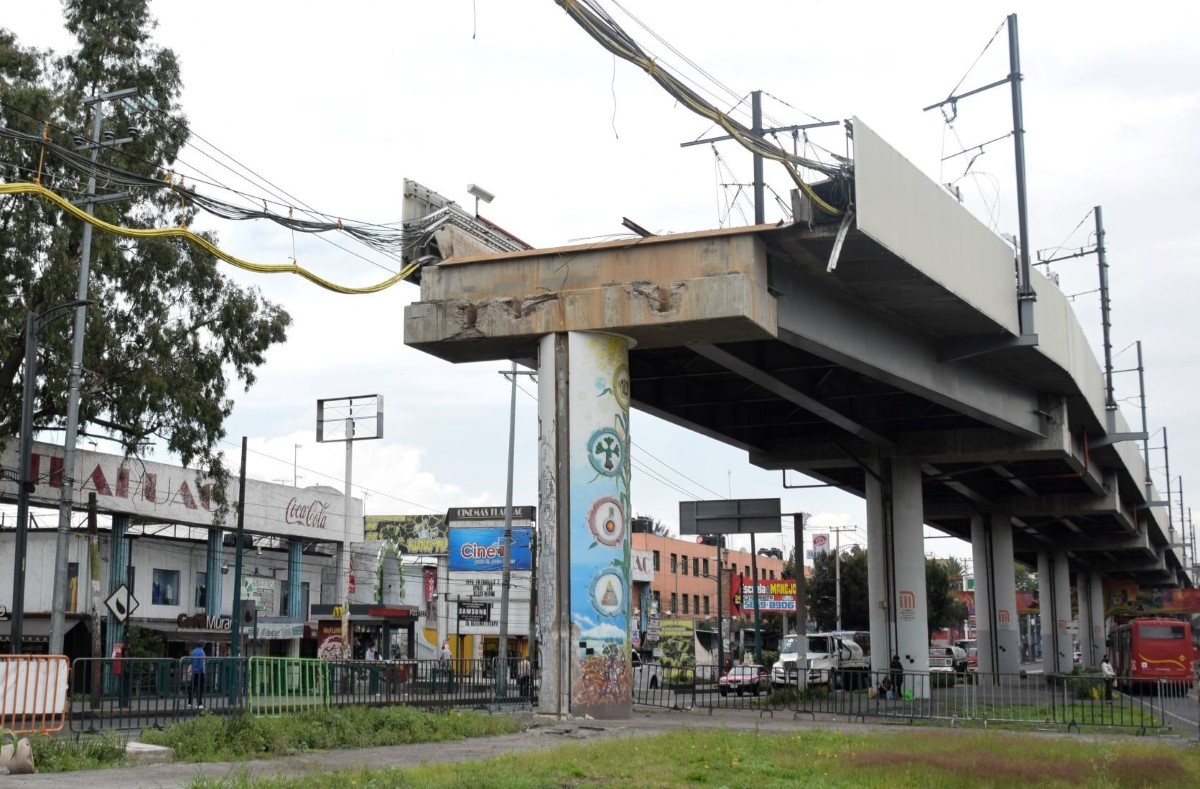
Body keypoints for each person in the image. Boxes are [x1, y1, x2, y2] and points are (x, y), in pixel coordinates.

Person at [187, 642, 207, 709]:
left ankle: (190, 702)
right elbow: (202, 663)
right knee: (199, 688)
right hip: (200, 672)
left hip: (194, 672)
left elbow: (191, 661)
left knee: (192, 687)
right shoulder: (202, 652)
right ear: (203, 645)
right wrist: (204, 672)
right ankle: (199, 703)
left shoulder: (193, 651)